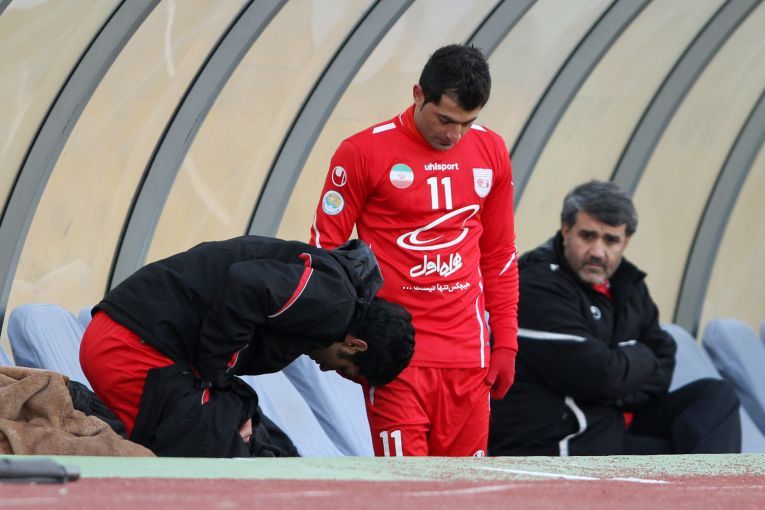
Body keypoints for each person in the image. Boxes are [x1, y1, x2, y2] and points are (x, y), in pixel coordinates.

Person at [310, 44, 518, 456]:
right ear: (418, 94)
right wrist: (338, 334)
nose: (454, 135)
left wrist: (506, 342)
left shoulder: (491, 150)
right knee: (407, 486)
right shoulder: (362, 152)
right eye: (445, 119)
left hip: (468, 358)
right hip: (395, 357)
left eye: (468, 123)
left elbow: (499, 254)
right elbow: (325, 251)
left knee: (466, 487)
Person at [79, 235, 415, 457]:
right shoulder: (332, 303)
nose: (326, 368)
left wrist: (222, 391)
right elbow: (247, 285)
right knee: (213, 454)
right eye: (343, 367)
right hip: (132, 346)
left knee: (255, 437)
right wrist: (215, 378)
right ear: (355, 344)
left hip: (138, 341)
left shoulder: (327, 291)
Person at [489, 180, 741, 455]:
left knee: (716, 397)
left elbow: (665, 360)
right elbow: (598, 375)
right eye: (587, 236)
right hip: (560, 441)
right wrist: (638, 358)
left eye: (611, 240)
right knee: (680, 456)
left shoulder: (627, 284)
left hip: (611, 426)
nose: (597, 252)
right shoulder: (536, 283)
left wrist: (615, 387)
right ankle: (704, 482)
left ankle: (709, 482)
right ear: (566, 230)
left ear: (626, 241)